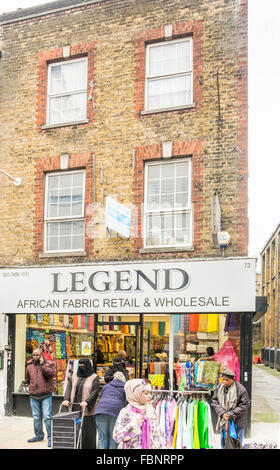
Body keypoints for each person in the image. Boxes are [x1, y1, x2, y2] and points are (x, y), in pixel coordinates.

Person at [112, 378, 165, 449]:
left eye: (150, 393)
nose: (149, 396)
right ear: (136, 393)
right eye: (146, 393)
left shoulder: (150, 410)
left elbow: (157, 435)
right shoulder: (126, 412)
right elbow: (117, 437)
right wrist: (133, 424)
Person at [62, 358, 100, 449]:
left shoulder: (94, 377)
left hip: (87, 411)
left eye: (83, 365)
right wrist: (66, 399)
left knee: (87, 433)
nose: (81, 367)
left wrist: (87, 402)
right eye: (80, 365)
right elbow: (69, 389)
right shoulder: (74, 376)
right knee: (75, 431)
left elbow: (94, 392)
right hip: (74, 409)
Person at [211, 367, 250, 449]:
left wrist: (230, 414)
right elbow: (214, 401)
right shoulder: (219, 388)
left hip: (237, 422)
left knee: (236, 444)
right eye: (223, 379)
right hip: (224, 421)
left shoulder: (240, 389)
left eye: (226, 380)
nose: (224, 382)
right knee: (223, 443)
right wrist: (222, 413)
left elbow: (245, 404)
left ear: (232, 379)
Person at [26, 348, 55, 447]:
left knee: (47, 417)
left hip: (46, 395)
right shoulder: (29, 365)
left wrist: (43, 365)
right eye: (33, 355)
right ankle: (38, 435)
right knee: (36, 417)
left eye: (37, 355)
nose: (35, 357)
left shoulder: (49, 363)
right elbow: (28, 379)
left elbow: (51, 374)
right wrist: (31, 388)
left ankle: (50, 438)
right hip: (34, 395)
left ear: (41, 355)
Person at [94, 371, 127, 449]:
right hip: (115, 412)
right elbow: (126, 403)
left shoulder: (107, 386)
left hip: (101, 411)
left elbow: (101, 398)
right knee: (113, 437)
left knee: (102, 437)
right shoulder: (125, 387)